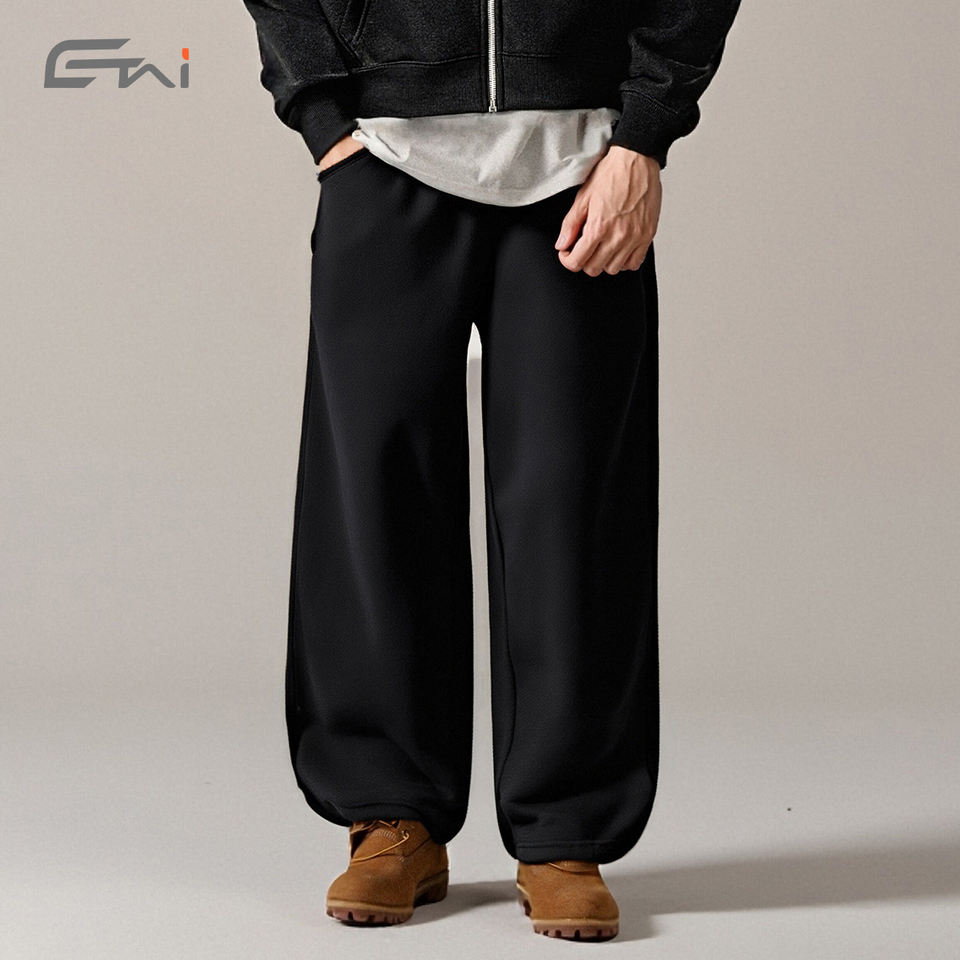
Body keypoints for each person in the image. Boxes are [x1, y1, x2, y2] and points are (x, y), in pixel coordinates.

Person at [241, 0, 742, 941]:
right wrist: (322, 117)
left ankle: (564, 832)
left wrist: (644, 138)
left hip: (583, 163)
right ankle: (390, 815)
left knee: (572, 503)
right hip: (384, 155)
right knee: (376, 497)